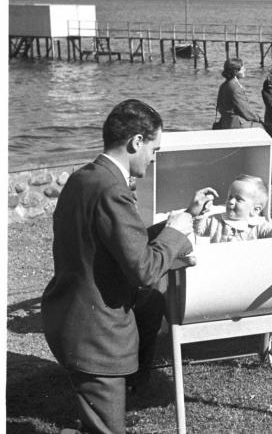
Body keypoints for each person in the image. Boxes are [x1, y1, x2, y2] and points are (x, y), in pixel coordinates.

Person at [41, 99, 218, 434]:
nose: (154, 157)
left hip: (71, 316)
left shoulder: (85, 178)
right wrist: (176, 235)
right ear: (137, 141)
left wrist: (183, 219)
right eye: (154, 148)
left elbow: (111, 242)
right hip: (95, 335)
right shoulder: (113, 191)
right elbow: (145, 270)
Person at [194, 174, 272, 242]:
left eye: (238, 199)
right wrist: (201, 213)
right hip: (221, 264)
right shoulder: (216, 220)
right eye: (230, 197)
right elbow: (199, 231)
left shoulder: (258, 226)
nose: (231, 202)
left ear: (255, 210)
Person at [215, 57, 263, 129]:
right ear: (235, 71)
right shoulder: (235, 87)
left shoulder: (224, 85)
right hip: (234, 124)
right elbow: (244, 109)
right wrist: (258, 118)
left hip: (225, 122)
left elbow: (220, 107)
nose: (245, 70)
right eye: (242, 68)